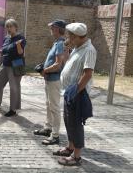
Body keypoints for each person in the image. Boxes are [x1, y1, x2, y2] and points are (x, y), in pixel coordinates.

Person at [54, 23, 97, 166]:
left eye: (71, 36)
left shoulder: (89, 50)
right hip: (69, 91)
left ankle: (77, 157)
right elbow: (68, 65)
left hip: (77, 93)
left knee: (75, 124)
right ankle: (70, 147)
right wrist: (66, 51)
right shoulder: (78, 48)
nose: (69, 38)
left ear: (78, 36)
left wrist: (75, 91)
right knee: (68, 122)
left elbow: (88, 74)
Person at [33, 20, 66, 145]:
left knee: (54, 107)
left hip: (54, 79)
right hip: (49, 79)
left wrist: (44, 70)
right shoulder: (56, 42)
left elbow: (58, 64)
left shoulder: (60, 43)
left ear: (57, 28)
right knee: (48, 105)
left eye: (52, 27)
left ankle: (55, 135)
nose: (50, 29)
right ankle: (48, 128)